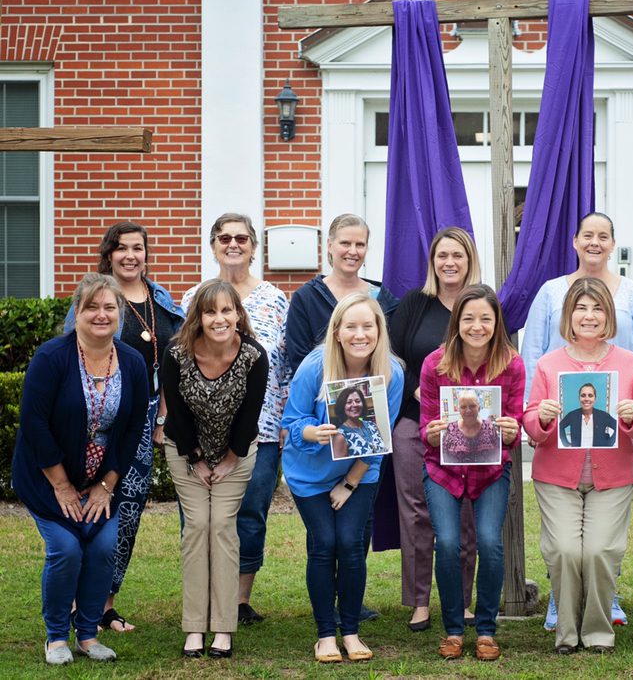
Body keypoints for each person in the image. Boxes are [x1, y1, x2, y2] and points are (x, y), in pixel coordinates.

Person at [521, 212, 633, 628]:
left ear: (613, 243)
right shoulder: (550, 296)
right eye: (587, 235)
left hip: (615, 439)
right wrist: (537, 414)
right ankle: (561, 602)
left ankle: (603, 602)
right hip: (559, 441)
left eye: (604, 236)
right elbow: (533, 359)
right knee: (563, 544)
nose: (595, 242)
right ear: (575, 241)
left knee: (600, 544)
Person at [14, 274, 148, 665]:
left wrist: (107, 485)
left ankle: (88, 635)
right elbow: (34, 424)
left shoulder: (134, 362)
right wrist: (61, 485)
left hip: (100, 481)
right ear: (77, 312)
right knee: (66, 549)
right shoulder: (51, 358)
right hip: (47, 479)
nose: (101, 315)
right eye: (92, 307)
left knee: (105, 547)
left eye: (110, 307)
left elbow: (133, 428)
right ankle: (57, 637)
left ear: (120, 313)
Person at [63, 222, 185, 632]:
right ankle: (78, 602)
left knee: (127, 511)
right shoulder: (94, 298)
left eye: (138, 248)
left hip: (144, 417)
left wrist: (162, 417)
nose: (130, 255)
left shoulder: (161, 300)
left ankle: (104, 605)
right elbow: (69, 359)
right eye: (121, 248)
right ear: (108, 254)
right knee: (89, 504)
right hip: (97, 418)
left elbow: (173, 365)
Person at [281, 293, 403, 663]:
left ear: (380, 331)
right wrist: (313, 433)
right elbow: (292, 421)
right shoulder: (315, 366)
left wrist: (350, 481)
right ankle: (324, 636)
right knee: (324, 543)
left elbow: (381, 437)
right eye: (351, 326)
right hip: (310, 473)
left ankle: (350, 631)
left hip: (360, 470)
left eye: (368, 326)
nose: (360, 334)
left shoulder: (391, 373)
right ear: (337, 331)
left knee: (350, 544)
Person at [181, 213, 290, 626]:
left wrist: (285, 416)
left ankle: (239, 600)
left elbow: (286, 364)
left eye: (242, 238)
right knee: (202, 518)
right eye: (224, 237)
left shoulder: (276, 299)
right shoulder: (193, 297)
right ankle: (207, 598)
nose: (233, 244)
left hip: (260, 429)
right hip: (202, 428)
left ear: (253, 246)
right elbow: (179, 362)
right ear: (212, 245)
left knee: (250, 514)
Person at [420, 285, 525, 661]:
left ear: (497, 322)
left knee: (490, 543)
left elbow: (513, 424)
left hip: (490, 472)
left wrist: (513, 431)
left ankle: (485, 629)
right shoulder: (435, 364)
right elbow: (426, 427)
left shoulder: (512, 364)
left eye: (485, 318)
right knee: (447, 543)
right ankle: (452, 628)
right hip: (443, 469)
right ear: (456, 322)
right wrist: (431, 432)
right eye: (468, 318)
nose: (477, 326)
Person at [388, 226, 482, 631]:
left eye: (457, 256)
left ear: (469, 261)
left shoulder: (480, 305)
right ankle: (420, 601)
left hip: (469, 429)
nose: (449, 263)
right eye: (442, 255)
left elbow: (496, 361)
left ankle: (460, 601)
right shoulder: (414, 304)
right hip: (414, 422)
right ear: (432, 262)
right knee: (416, 512)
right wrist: (421, 399)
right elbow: (391, 359)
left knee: (464, 514)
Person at [286, 213, 399, 373]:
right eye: (345, 243)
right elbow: (299, 358)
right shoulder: (306, 298)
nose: (353, 251)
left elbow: (391, 353)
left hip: (373, 392)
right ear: (330, 245)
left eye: (360, 244)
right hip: (322, 393)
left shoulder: (382, 299)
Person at [440, 390, 501, 465]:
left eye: (472, 406)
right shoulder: (450, 429)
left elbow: (496, 454)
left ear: (479, 408)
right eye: (463, 407)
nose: (468, 410)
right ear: (459, 410)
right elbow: (444, 456)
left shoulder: (490, 427)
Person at [329, 386, 389, 458]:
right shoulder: (340, 437)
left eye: (357, 401)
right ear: (342, 406)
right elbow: (340, 467)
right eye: (349, 402)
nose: (354, 405)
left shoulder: (372, 425)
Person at [558, 383, 618, 448]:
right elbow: (560, 427)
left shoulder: (603, 416)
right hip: (577, 454)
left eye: (590, 395)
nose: (586, 399)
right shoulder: (572, 415)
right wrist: (566, 444)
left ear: (595, 399)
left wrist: (609, 444)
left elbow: (618, 427)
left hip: (598, 454)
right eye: (583, 395)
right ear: (579, 398)